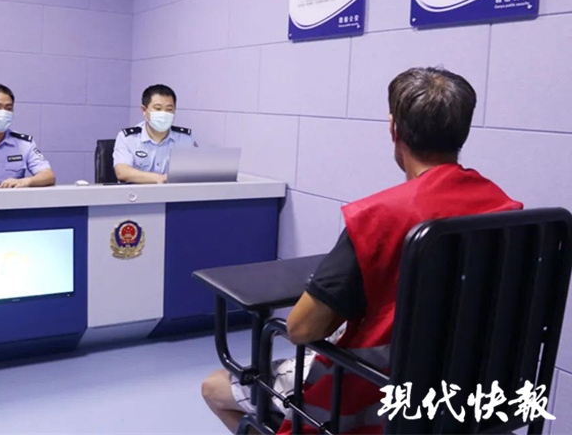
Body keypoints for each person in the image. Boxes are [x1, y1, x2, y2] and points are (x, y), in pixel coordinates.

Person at [201, 67, 523, 434]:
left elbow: (301, 328)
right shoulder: (506, 211)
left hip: (374, 396)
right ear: (463, 131)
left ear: (394, 129)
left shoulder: (381, 216)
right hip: (466, 397)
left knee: (214, 387)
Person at [113, 84, 196, 184]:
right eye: (158, 108)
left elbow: (195, 172)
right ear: (144, 110)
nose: (164, 114)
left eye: (169, 109)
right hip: (136, 193)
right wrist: (159, 179)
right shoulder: (128, 138)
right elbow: (122, 172)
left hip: (173, 193)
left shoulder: (185, 139)